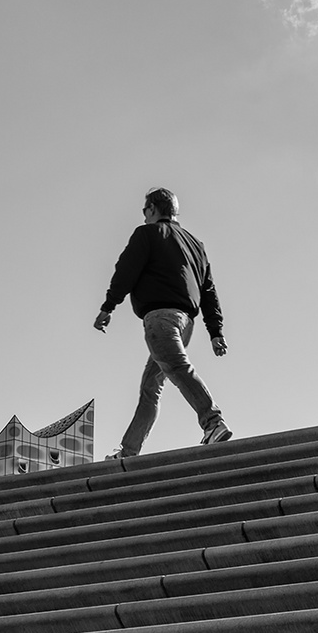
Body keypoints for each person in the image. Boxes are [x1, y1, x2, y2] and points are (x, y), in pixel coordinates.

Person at [94, 186, 232, 458]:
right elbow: (209, 291)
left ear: (153, 209)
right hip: (186, 323)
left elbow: (125, 271)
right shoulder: (196, 244)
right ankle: (129, 451)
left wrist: (108, 306)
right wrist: (215, 332)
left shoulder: (147, 233)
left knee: (178, 368)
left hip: (160, 320)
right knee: (150, 388)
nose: (144, 216)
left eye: (145, 210)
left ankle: (213, 422)